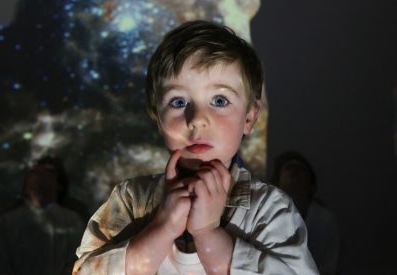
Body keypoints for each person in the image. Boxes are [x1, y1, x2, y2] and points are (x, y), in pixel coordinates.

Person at [73, 20, 318, 274]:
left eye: (220, 100)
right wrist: (163, 228)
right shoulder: (131, 201)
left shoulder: (268, 208)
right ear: (158, 117)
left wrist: (208, 234)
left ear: (249, 117)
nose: (197, 118)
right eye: (178, 102)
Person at [0, 157, 85, 275]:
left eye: (48, 171)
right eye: (34, 171)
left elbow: (78, 261)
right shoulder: (8, 222)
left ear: (59, 184)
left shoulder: (71, 220)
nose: (39, 175)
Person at [271, 151, 340, 275]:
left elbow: (327, 268)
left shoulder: (325, 221)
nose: (294, 172)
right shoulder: (265, 213)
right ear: (277, 183)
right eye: (289, 168)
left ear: (311, 185)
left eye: (301, 169)